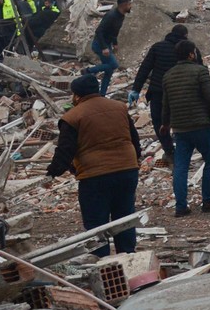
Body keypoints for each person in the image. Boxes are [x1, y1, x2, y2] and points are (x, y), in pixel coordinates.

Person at [45, 74, 140, 256]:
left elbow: (65, 151)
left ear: (77, 96)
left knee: (96, 223)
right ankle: (128, 257)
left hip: (95, 176)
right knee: (125, 217)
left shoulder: (72, 117)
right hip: (127, 170)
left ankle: (102, 261)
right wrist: (135, 160)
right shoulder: (119, 108)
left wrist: (52, 173)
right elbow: (134, 139)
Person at [160, 40, 210, 216]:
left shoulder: (168, 76)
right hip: (200, 126)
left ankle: (181, 206)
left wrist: (165, 124)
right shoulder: (200, 71)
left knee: (181, 167)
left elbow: (166, 104)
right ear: (191, 54)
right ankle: (208, 200)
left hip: (180, 129)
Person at [130, 23, 187, 164]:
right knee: (181, 121)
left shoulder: (157, 47)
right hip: (180, 92)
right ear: (185, 36)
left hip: (158, 92)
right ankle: (182, 149)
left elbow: (145, 68)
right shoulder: (187, 49)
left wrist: (136, 89)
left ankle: (169, 151)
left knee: (158, 122)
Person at [85, 0, 131, 95]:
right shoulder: (111, 16)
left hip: (107, 44)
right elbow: (99, 31)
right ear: (123, 5)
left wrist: (115, 43)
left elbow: (114, 32)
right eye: (129, 4)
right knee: (114, 65)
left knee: (109, 71)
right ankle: (88, 70)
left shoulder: (121, 16)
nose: (130, 6)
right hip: (99, 45)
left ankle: (102, 94)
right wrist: (104, 47)